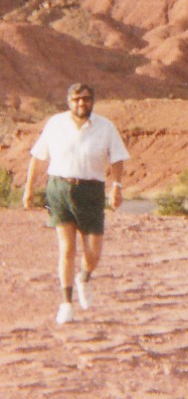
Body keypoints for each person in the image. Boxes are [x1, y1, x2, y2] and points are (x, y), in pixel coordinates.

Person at [23, 82, 130, 325]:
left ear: (92, 101)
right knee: (67, 248)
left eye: (86, 98)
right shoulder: (55, 124)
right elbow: (38, 157)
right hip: (59, 188)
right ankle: (66, 303)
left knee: (93, 252)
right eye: (76, 99)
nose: (82, 103)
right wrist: (29, 188)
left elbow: (117, 159)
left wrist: (117, 186)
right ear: (69, 101)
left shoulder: (105, 127)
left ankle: (84, 278)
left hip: (91, 190)